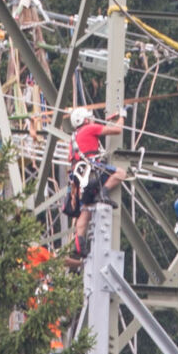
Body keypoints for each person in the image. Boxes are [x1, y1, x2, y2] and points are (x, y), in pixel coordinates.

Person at [65, 106, 128, 260]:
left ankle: (79, 244)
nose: (91, 119)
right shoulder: (90, 128)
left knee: (85, 208)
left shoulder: (74, 137)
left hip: (78, 179)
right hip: (91, 170)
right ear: (85, 120)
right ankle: (104, 192)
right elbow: (117, 130)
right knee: (121, 173)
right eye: (89, 117)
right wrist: (122, 116)